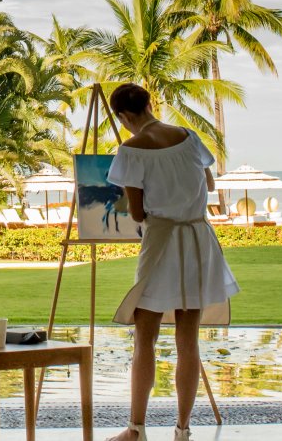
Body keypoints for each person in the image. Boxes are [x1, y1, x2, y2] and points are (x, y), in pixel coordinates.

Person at [104, 83, 239, 441]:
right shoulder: (188, 137)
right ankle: (182, 429)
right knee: (188, 341)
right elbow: (207, 183)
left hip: (162, 240)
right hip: (197, 239)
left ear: (125, 115)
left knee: (144, 337)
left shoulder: (131, 149)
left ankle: (136, 428)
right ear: (149, 104)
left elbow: (135, 210)